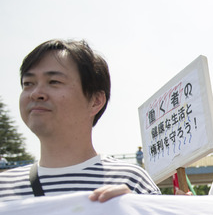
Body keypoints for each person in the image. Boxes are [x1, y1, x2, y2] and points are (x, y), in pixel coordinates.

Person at [0, 39, 160, 202]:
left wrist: (136, 213)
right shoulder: (3, 189)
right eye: (28, 83)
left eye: (54, 82)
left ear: (95, 101)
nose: (35, 93)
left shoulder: (133, 183)